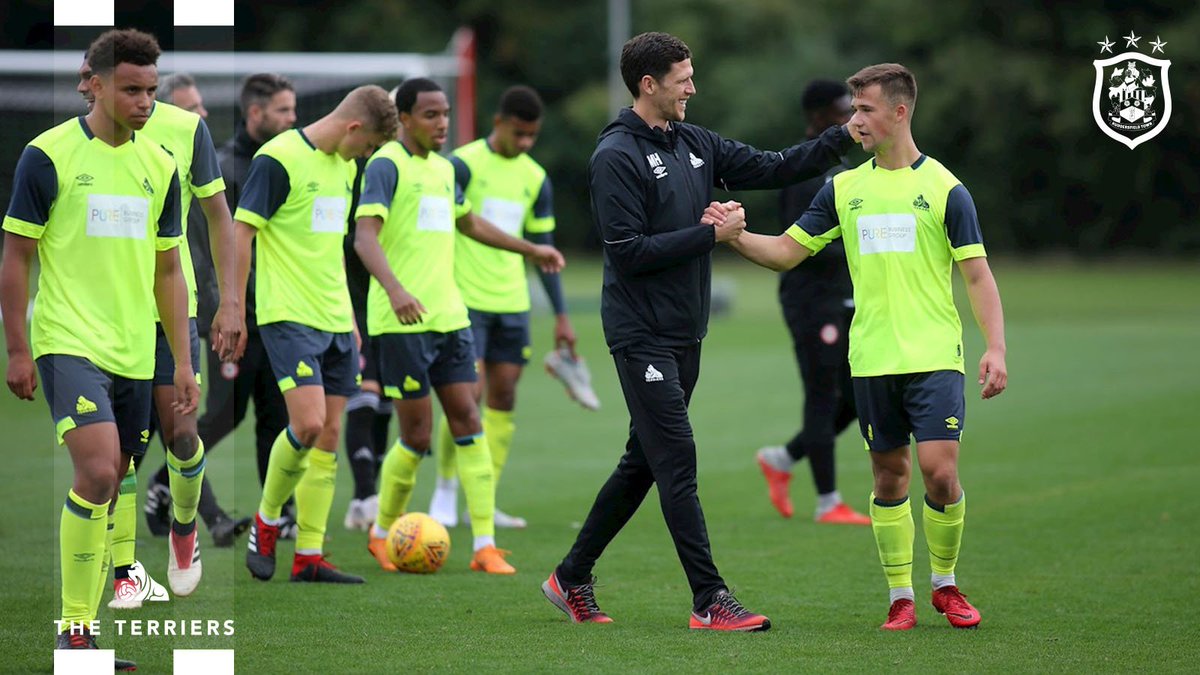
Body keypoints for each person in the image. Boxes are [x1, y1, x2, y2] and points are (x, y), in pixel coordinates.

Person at [541, 32, 856, 631]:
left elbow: (774, 166)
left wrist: (844, 136)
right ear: (648, 84)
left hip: (686, 331)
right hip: (640, 334)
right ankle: (709, 599)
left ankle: (570, 575)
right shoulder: (616, 156)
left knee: (644, 460)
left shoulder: (694, 142)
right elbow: (628, 252)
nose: (693, 86)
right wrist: (711, 234)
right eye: (683, 78)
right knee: (677, 458)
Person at [717, 63, 1007, 631]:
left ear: (899, 112)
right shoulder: (843, 188)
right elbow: (784, 251)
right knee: (888, 478)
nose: (855, 122)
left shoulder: (946, 190)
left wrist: (995, 347)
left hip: (933, 356)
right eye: (852, 110)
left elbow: (977, 276)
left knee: (939, 474)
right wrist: (733, 237)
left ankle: (945, 585)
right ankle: (901, 597)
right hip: (872, 358)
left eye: (866, 110)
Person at [1, 28, 198, 669]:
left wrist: (185, 360)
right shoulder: (48, 155)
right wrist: (19, 348)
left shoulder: (162, 165)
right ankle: (76, 635)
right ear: (96, 83)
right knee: (99, 472)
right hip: (67, 340)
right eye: (131, 88)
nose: (144, 102)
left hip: (136, 351)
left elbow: (169, 272)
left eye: (151, 90)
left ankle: (96, 612)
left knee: (113, 485)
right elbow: (16, 255)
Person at [354, 77, 564, 575]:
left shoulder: (447, 171)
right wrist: (396, 290)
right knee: (418, 437)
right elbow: (365, 238)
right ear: (403, 118)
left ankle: (485, 545)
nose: (442, 122)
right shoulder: (386, 165)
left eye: (445, 113)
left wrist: (531, 248)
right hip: (402, 324)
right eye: (430, 114)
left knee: (470, 421)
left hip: (451, 318)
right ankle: (382, 532)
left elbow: (470, 224)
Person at [73, 55, 243, 608]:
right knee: (118, 452)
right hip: (100, 317)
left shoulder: (187, 131)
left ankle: (185, 530)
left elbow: (220, 216)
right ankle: (124, 570)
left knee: (183, 433)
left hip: (170, 309)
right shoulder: (64, 147)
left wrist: (229, 300)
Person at [238, 85, 398, 584]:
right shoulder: (278, 158)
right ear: (354, 128)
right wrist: (229, 308)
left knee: (328, 437)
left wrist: (350, 319)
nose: (367, 156)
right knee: (306, 426)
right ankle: (267, 521)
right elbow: (242, 233)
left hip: (335, 318)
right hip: (287, 315)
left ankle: (309, 555)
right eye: (369, 145)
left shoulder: (346, 169)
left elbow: (329, 250)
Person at [147, 73, 298, 545]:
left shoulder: (280, 162)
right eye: (191, 108)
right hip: (217, 312)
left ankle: (282, 513)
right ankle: (167, 481)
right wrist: (223, 309)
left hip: (270, 309)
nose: (201, 117)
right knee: (224, 411)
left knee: (275, 414)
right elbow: (205, 246)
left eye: (202, 107)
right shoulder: (218, 168)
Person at [426, 84, 583, 531]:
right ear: (499, 123)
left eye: (533, 135)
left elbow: (544, 248)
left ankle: (485, 497)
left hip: (513, 302)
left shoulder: (536, 178)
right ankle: (444, 489)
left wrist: (562, 315)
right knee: (465, 395)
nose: (526, 143)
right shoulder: (462, 164)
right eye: (520, 134)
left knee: (505, 397)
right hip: (466, 300)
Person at [755, 79, 871, 526]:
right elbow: (800, 243)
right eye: (846, 110)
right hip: (810, 301)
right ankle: (828, 502)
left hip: (843, 297)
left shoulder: (841, 169)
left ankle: (783, 458)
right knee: (822, 397)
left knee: (856, 400)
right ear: (821, 116)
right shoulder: (805, 171)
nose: (854, 119)